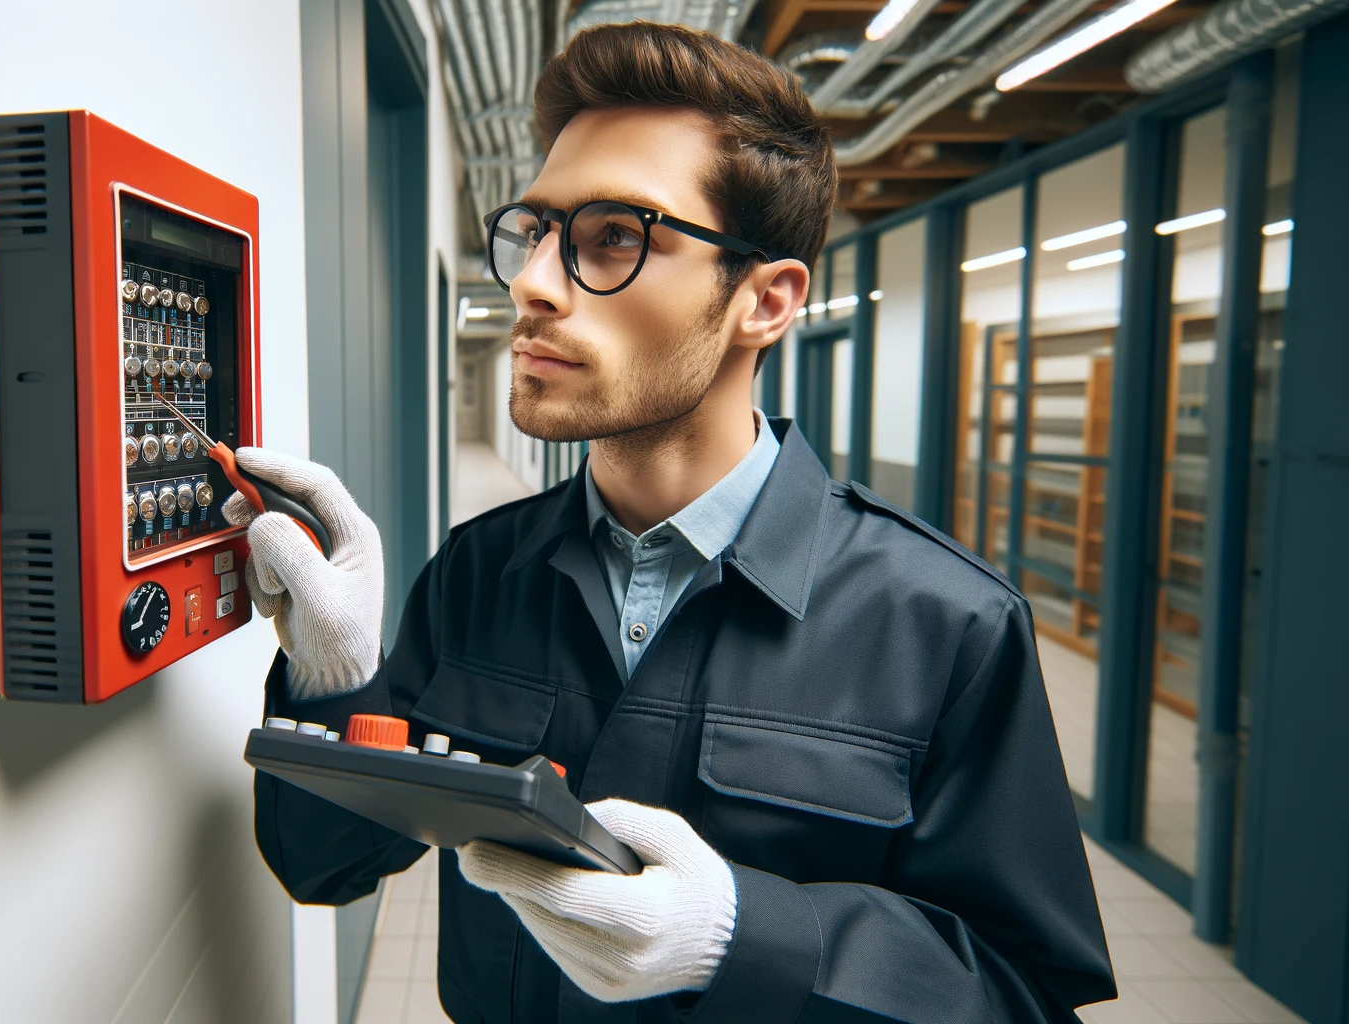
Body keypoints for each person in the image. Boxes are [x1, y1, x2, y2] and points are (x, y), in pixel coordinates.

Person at [226, 21, 1115, 1023]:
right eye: (537, 232)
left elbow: (1022, 992)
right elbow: (326, 864)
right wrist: (336, 680)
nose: (532, 283)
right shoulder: (479, 571)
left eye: (614, 236)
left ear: (764, 301)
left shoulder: (944, 624)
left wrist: (745, 937)